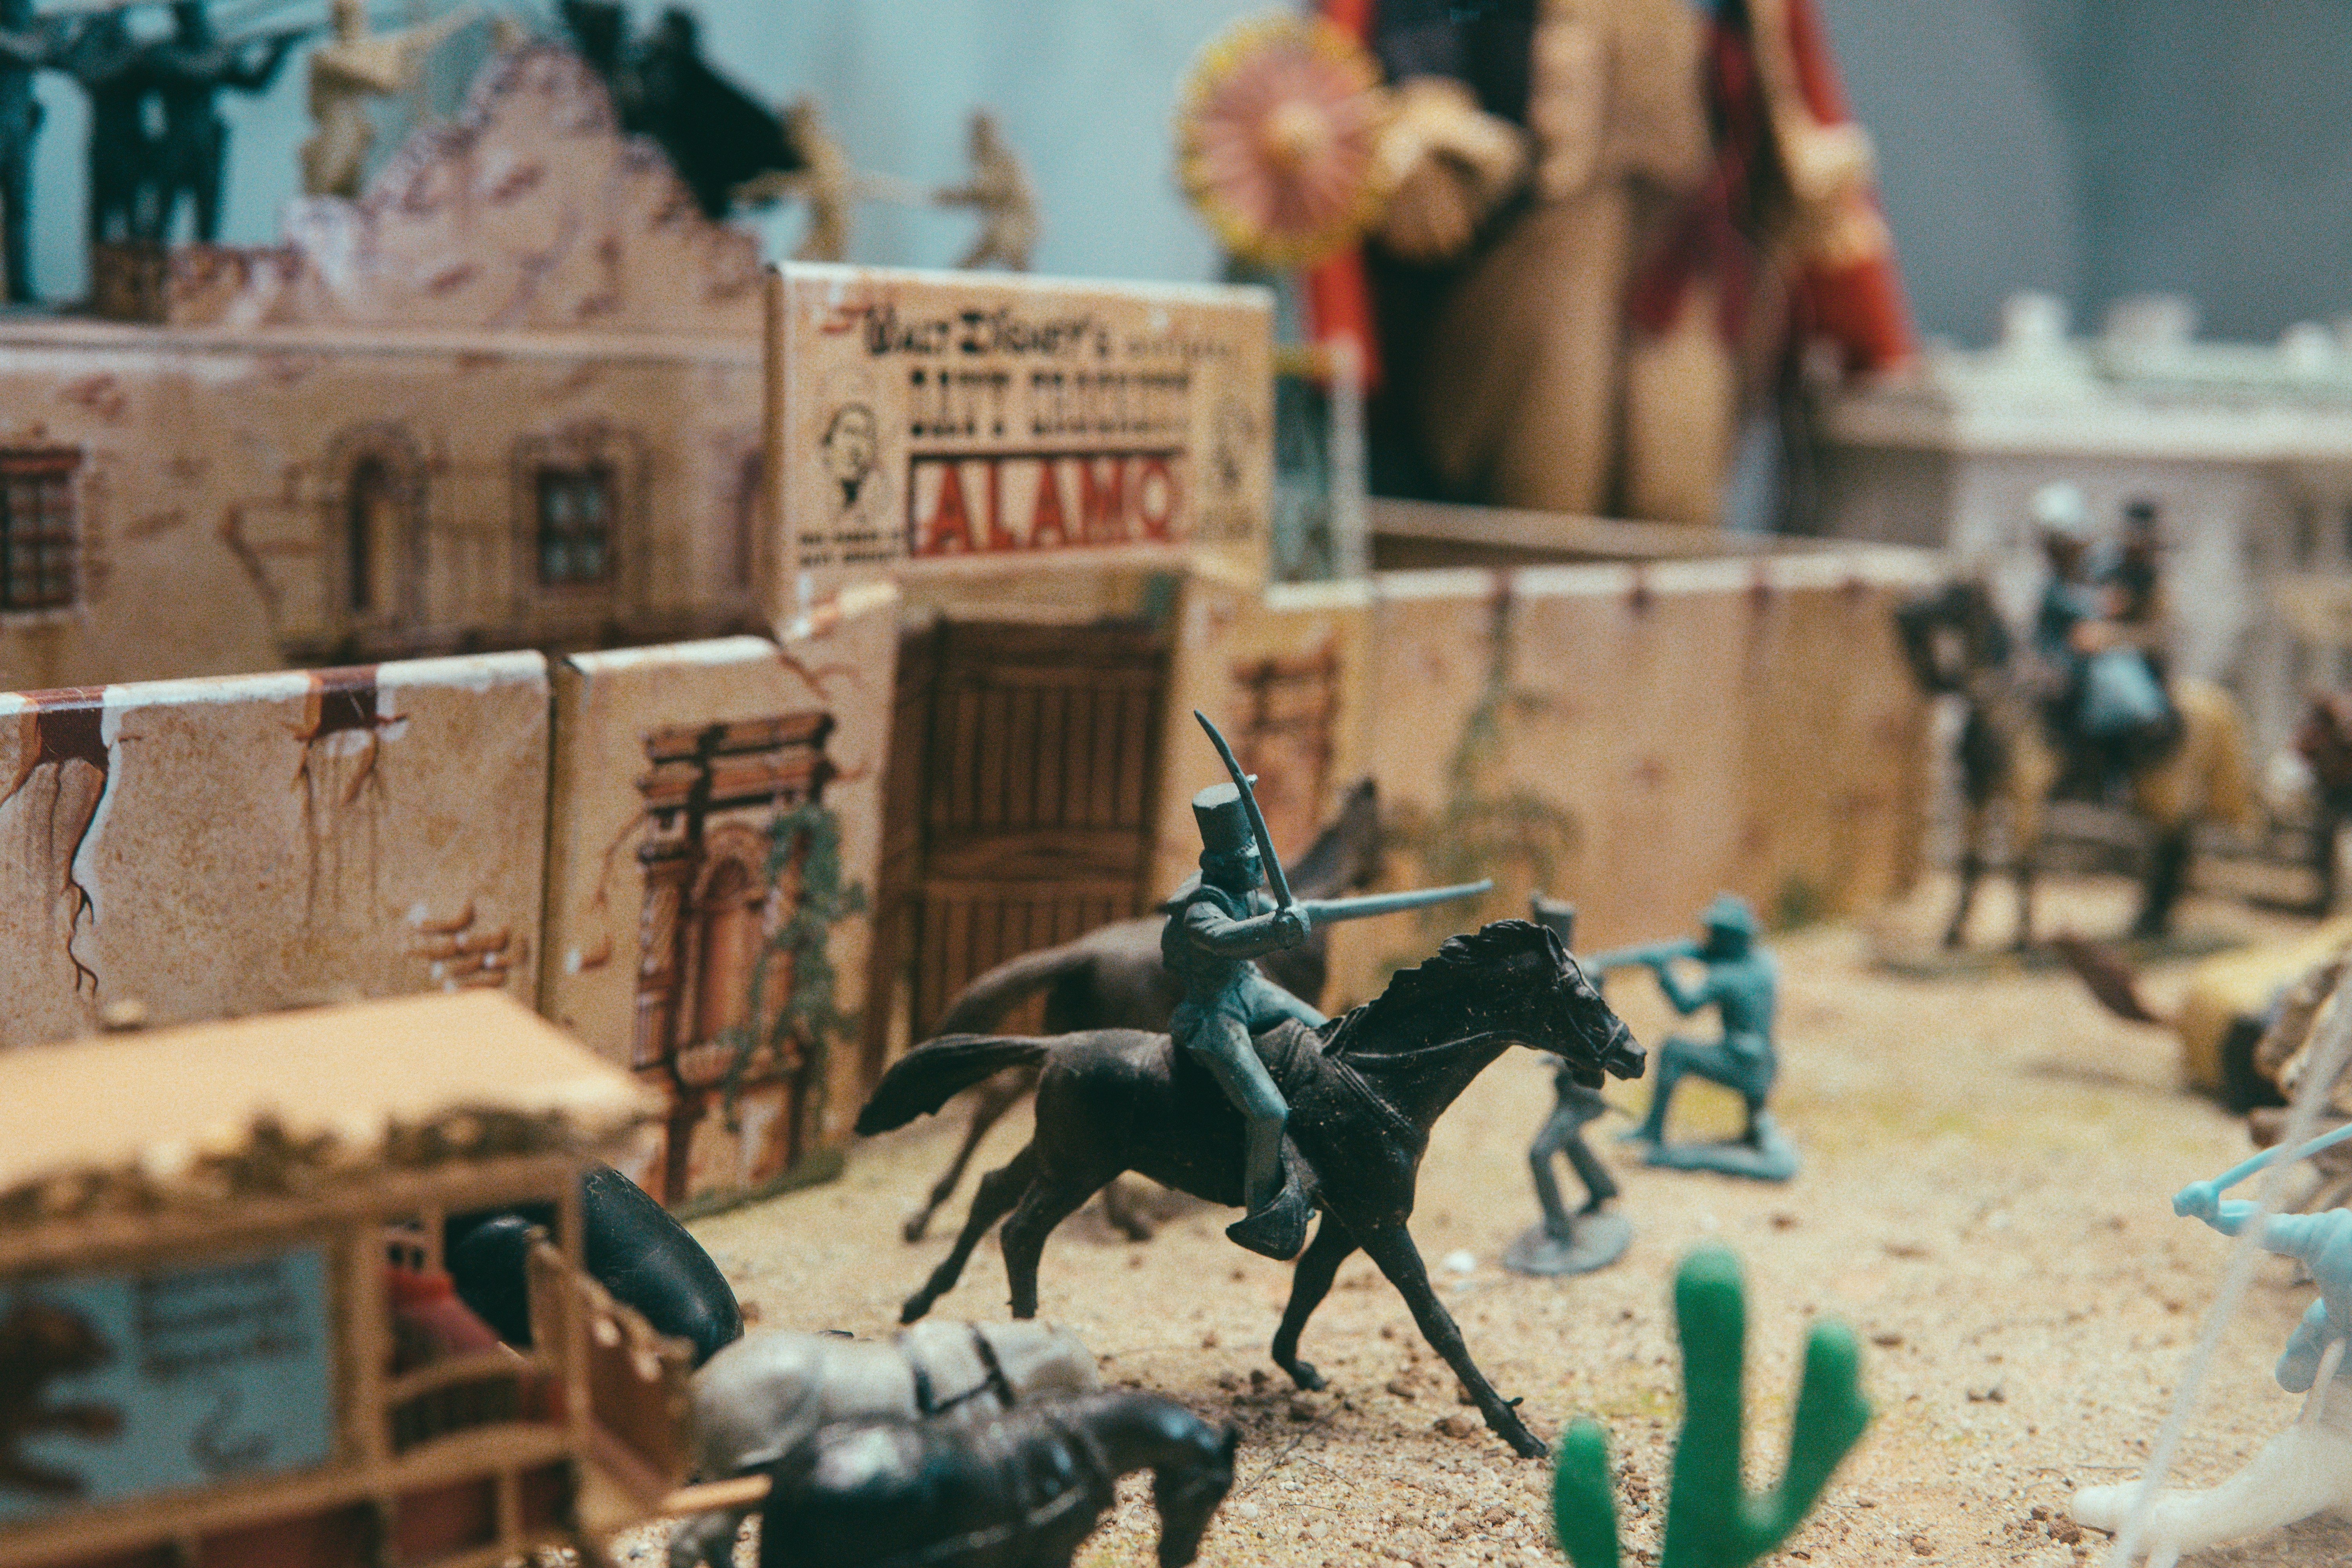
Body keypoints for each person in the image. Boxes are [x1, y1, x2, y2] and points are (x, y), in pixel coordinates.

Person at [1160, 782, 1325, 1260]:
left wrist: (1302, 915)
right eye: (1249, 860)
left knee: (1326, 1031)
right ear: (1222, 865)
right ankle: (1263, 1214)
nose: (1259, 866)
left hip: (1250, 988)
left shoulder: (1244, 890)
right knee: (1269, 1112)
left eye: (1257, 856)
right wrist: (1278, 930)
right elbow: (1227, 939)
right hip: (1214, 1010)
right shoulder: (1201, 908)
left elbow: (1275, 914)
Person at [1622, 894, 1779, 1154]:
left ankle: (1653, 1130)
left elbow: (1685, 1007)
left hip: (1744, 1067)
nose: (1710, 939)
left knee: (1673, 1051)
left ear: (1729, 939)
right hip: (1766, 1063)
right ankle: (1753, 1131)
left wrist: (1663, 971)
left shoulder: (1725, 976)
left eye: (1716, 935)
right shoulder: (1765, 964)